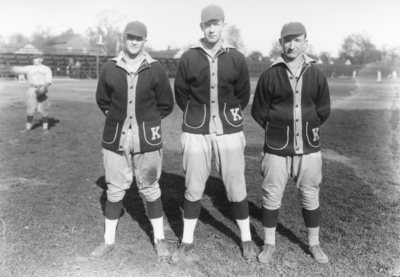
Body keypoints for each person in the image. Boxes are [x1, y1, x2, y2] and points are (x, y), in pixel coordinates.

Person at [172, 4, 255, 262]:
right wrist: (200, 117)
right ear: (201, 26)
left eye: (216, 23)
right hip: (196, 130)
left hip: (229, 130)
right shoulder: (189, 57)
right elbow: (181, 94)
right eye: (207, 24)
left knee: (235, 184)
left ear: (223, 25)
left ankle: (246, 239)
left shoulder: (237, 57)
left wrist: (224, 116)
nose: (211, 28)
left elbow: (242, 95)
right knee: (194, 186)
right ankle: (186, 242)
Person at [92, 21, 174, 261]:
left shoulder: (156, 68)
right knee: (115, 189)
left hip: (146, 138)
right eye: (130, 37)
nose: (134, 41)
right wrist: (118, 119)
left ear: (145, 41)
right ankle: (108, 241)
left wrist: (146, 121)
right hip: (116, 135)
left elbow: (166, 104)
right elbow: (102, 99)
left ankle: (159, 240)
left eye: (139, 38)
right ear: (123, 38)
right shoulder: (110, 67)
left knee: (150, 187)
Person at [251, 22, 331, 264]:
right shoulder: (269, 74)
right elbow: (258, 111)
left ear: (305, 41)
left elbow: (323, 110)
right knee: (271, 194)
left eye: (297, 40)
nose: (292, 45)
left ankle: (314, 244)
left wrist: (304, 128)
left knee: (310, 194)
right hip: (276, 147)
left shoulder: (316, 74)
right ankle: (269, 244)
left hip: (308, 147)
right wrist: (278, 130)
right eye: (288, 40)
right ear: (280, 43)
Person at [12, 54, 52, 134]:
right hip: (32, 89)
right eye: (33, 58)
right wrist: (12, 68)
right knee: (30, 109)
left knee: (44, 109)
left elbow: (48, 81)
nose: (34, 60)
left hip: (42, 89)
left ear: (41, 59)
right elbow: (19, 69)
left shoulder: (46, 69)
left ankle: (45, 128)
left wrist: (43, 87)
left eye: (36, 58)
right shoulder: (29, 68)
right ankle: (28, 128)